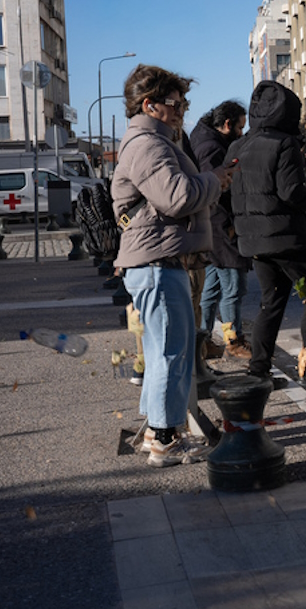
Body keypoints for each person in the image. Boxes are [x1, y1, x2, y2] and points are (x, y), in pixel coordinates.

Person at [112, 64, 233, 467]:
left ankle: (156, 431)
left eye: (183, 103)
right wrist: (214, 179)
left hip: (158, 258)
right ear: (150, 105)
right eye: (174, 103)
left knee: (165, 349)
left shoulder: (154, 141)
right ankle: (165, 440)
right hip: (157, 261)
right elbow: (177, 198)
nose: (181, 110)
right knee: (170, 352)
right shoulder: (148, 144)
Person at [225, 80, 306, 386]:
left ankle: (259, 369)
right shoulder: (285, 144)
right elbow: (291, 192)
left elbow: (226, 190)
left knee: (271, 302)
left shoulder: (237, 145)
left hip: (252, 239)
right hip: (286, 237)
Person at [190, 100, 252, 360]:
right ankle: (232, 339)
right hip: (220, 224)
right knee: (234, 285)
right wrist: (228, 224)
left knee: (212, 286)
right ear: (226, 125)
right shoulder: (212, 148)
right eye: (239, 127)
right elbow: (215, 188)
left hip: (213, 224)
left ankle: (203, 341)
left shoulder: (204, 138)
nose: (241, 132)